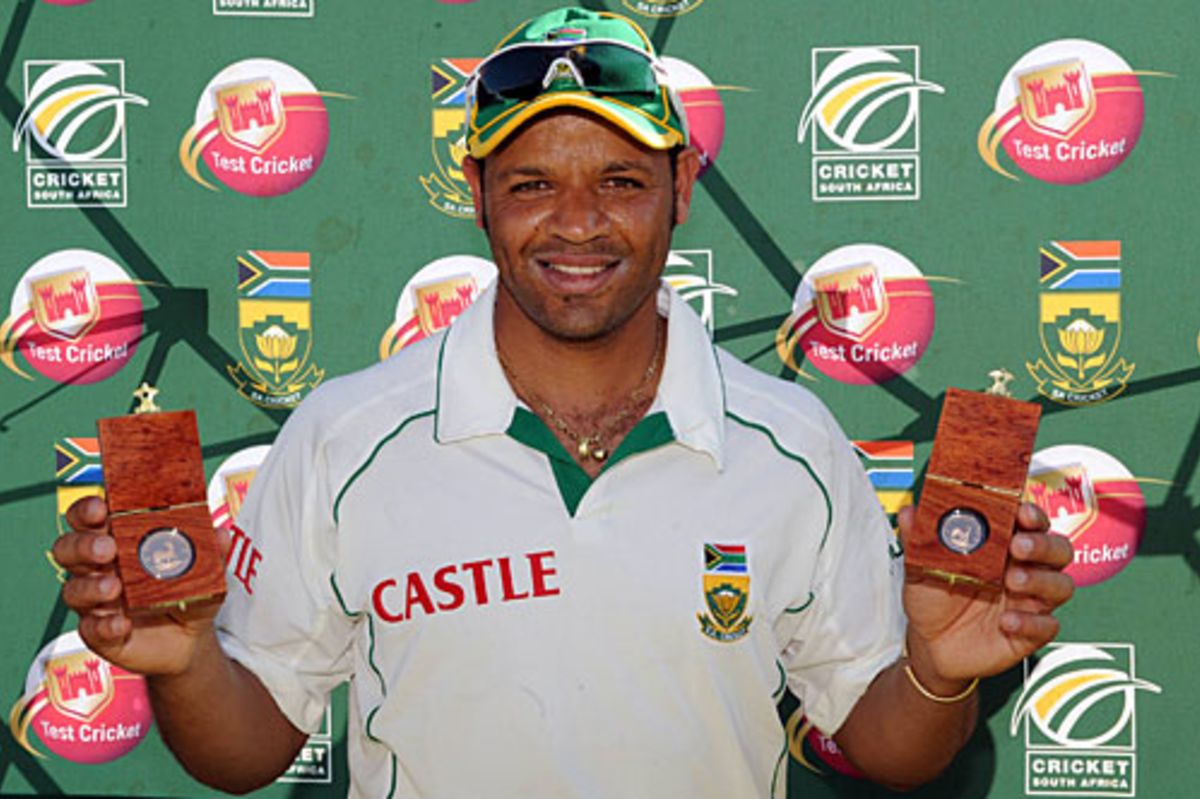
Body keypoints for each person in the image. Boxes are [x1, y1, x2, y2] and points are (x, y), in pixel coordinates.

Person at [54, 7, 1074, 797]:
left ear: (681, 190)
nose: (577, 226)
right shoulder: (345, 438)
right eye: (534, 182)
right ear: (479, 190)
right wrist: (183, 661)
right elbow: (250, 747)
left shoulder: (790, 443)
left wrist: (940, 667)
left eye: (622, 182)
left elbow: (889, 747)